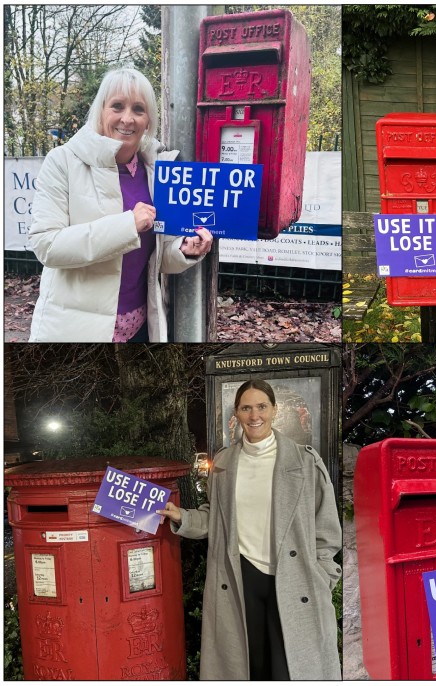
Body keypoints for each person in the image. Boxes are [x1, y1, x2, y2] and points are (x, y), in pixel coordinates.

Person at [158, 380, 342, 680]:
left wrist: (323, 576)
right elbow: (216, 519)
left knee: (289, 669)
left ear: (274, 410)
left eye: (261, 407)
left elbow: (327, 527)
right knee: (251, 668)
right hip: (241, 577)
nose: (254, 415)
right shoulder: (224, 464)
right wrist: (183, 517)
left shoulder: (306, 461)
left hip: (294, 579)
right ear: (237, 413)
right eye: (246, 408)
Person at [28, 67, 213, 342]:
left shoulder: (155, 170)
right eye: (117, 106)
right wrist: (127, 225)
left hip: (139, 327)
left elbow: (154, 257)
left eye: (138, 109)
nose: (127, 118)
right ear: (101, 110)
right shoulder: (63, 161)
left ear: (148, 120)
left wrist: (183, 250)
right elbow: (46, 245)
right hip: (77, 330)